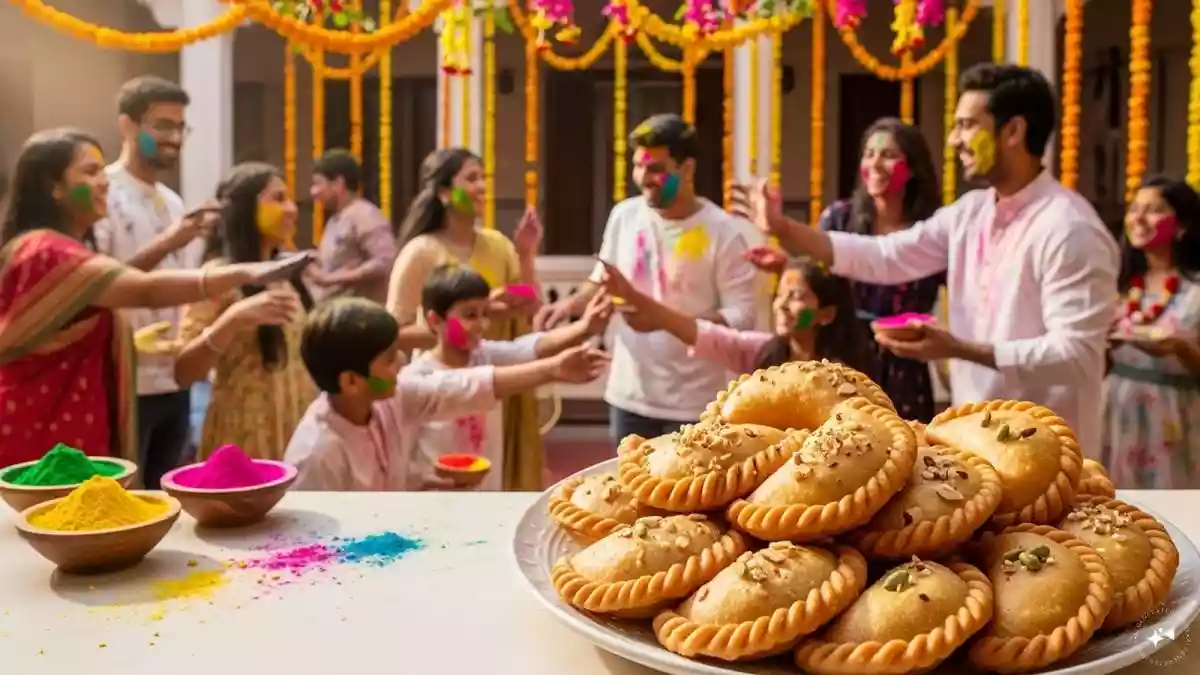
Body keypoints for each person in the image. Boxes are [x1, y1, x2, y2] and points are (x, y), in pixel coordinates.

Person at [734, 63, 1119, 457]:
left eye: (968, 125)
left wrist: (960, 348)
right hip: (975, 437)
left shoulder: (1069, 229)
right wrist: (783, 227)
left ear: (1014, 131)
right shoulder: (970, 213)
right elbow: (885, 256)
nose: (955, 139)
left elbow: (1078, 355)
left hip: (1046, 450)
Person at [0, 129, 294, 469]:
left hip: (74, 412)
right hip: (41, 424)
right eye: (90, 172)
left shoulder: (159, 208)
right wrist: (243, 274)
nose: (103, 182)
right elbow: (145, 290)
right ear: (54, 187)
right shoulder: (45, 251)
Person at [534, 114, 760, 444]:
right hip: (628, 395)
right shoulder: (625, 215)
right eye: (639, 166)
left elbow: (742, 318)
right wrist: (572, 304)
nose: (644, 178)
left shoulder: (722, 232)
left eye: (657, 168)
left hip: (695, 404)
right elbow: (603, 277)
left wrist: (668, 321)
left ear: (687, 169)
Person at [284, 297, 610, 491]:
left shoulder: (388, 399)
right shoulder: (317, 452)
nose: (401, 362)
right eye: (387, 359)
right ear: (351, 381)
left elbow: (460, 388)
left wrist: (552, 370)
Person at [385, 147, 545, 490]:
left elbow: (531, 304)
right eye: (471, 179)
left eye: (482, 179)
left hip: (500, 373)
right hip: (442, 383)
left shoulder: (498, 244)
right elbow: (393, 332)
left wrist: (526, 255)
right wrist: (457, 331)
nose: (481, 187)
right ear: (444, 192)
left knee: (497, 475)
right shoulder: (420, 252)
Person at [91, 76, 218, 488]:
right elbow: (101, 285)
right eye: (163, 125)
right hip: (126, 377)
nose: (175, 138)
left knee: (168, 495)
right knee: (124, 495)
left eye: (181, 127)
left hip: (172, 375)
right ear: (127, 126)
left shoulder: (173, 201)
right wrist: (170, 241)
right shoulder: (104, 195)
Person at [406, 265, 614, 490]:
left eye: (485, 314)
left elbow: (532, 346)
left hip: (487, 494)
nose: (481, 324)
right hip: (435, 498)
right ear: (435, 320)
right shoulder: (417, 378)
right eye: (469, 315)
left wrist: (584, 328)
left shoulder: (485, 355)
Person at [172, 162, 317, 461]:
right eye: (277, 199)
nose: (291, 208)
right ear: (246, 210)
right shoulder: (219, 277)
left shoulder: (286, 274)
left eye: (289, 198)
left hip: (294, 425)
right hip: (243, 436)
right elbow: (184, 372)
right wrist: (234, 319)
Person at [801, 117, 943, 421]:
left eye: (889, 155)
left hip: (906, 363)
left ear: (913, 167)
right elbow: (815, 282)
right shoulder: (839, 218)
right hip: (845, 354)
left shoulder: (932, 229)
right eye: (869, 154)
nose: (876, 163)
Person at [599, 256, 876, 376]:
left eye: (795, 297)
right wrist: (633, 296)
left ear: (826, 315)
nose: (780, 305)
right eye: (779, 294)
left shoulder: (846, 376)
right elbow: (696, 331)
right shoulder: (762, 353)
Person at [1103, 176, 1200, 488]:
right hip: (1117, 410)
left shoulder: (1195, 291)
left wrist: (1179, 349)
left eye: (1154, 210)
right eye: (1135, 209)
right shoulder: (1118, 285)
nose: (1139, 218)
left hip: (1174, 417)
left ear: (1182, 226)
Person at [308, 149, 397, 304]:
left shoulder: (364, 214)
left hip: (360, 319)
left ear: (338, 183)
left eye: (317, 183)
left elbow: (385, 260)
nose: (313, 192)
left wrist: (330, 279)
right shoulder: (337, 218)